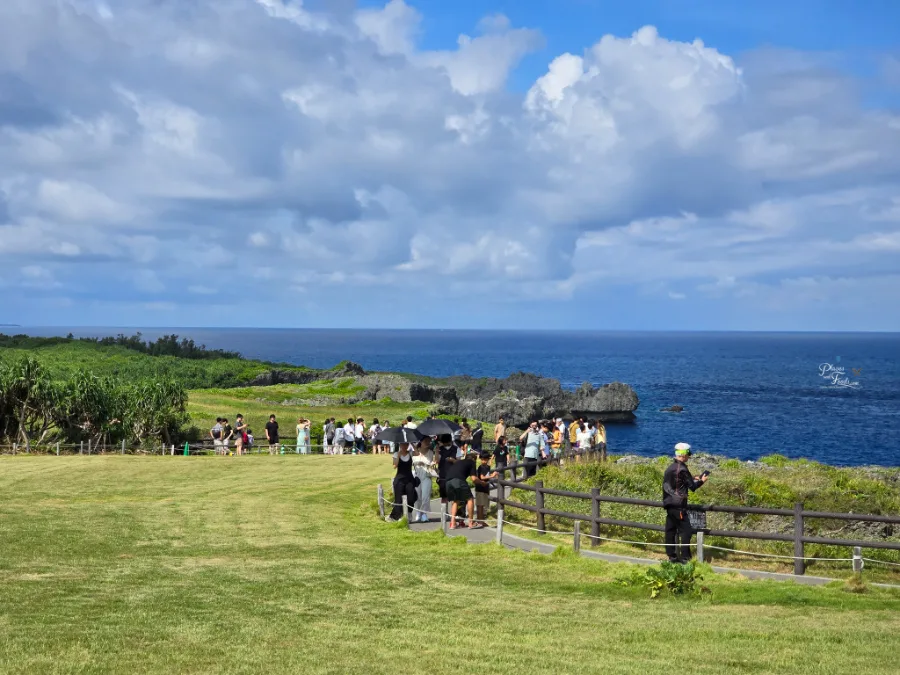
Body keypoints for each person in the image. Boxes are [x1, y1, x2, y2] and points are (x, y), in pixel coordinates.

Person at [663, 442, 709, 564]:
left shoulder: (670, 467)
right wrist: (702, 481)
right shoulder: (683, 468)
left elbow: (677, 483)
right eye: (688, 454)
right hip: (679, 505)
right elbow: (692, 487)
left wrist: (693, 478)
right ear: (684, 455)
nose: (689, 457)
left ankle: (671, 556)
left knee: (670, 531)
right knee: (686, 531)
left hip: (669, 503)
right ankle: (685, 558)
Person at [445, 447, 477, 529]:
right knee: (470, 498)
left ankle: (452, 523)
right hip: (458, 480)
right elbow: (474, 479)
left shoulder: (459, 462)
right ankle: (471, 522)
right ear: (473, 459)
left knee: (456, 500)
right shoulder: (471, 462)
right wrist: (482, 483)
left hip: (448, 481)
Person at [387, 443, 418, 522]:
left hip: (409, 479)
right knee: (399, 499)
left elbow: (417, 453)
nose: (404, 446)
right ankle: (396, 516)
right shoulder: (396, 454)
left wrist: (412, 443)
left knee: (411, 498)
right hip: (400, 479)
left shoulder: (410, 453)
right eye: (403, 445)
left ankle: (409, 512)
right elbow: (394, 466)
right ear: (400, 445)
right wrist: (398, 456)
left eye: (406, 445)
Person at [412, 438, 435, 523]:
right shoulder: (414, 452)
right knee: (418, 497)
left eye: (429, 441)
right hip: (417, 476)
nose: (427, 443)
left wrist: (425, 464)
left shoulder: (430, 452)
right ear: (421, 442)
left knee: (425, 496)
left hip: (426, 476)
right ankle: (418, 512)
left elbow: (433, 464)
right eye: (425, 441)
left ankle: (424, 513)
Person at [435, 433, 458, 508]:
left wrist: (453, 460)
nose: (444, 444)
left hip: (453, 475)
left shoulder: (456, 448)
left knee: (453, 496)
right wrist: (436, 451)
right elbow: (437, 461)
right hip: (442, 475)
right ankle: (444, 514)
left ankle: (453, 514)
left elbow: (459, 462)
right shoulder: (440, 449)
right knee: (443, 496)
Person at [474, 451, 496, 525]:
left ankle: (480, 520)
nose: (483, 461)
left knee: (482, 505)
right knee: (480, 505)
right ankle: (480, 521)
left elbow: (489, 465)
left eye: (485, 459)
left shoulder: (487, 467)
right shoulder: (481, 467)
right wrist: (492, 476)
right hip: (480, 487)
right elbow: (482, 477)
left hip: (484, 488)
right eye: (482, 459)